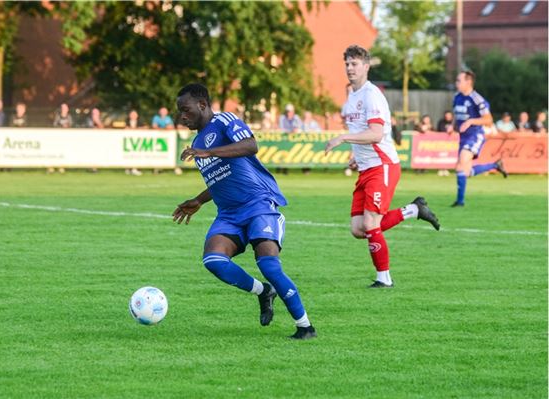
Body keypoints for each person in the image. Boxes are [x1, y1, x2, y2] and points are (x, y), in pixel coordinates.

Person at [173, 83, 316, 339]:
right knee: (213, 261)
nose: (182, 117)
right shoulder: (197, 141)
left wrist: (207, 151)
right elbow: (221, 178)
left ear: (203, 105)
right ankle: (263, 292)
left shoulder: (224, 120)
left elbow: (251, 145)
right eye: (179, 112)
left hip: (259, 203)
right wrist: (199, 200)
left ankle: (305, 326)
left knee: (270, 266)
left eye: (185, 110)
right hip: (229, 213)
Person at [325, 45, 441, 288]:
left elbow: (376, 134)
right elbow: (363, 132)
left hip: (383, 165)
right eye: (347, 64)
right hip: (366, 167)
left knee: (370, 224)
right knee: (358, 229)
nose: (349, 68)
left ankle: (384, 278)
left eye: (354, 64)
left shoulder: (371, 94)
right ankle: (414, 210)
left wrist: (343, 138)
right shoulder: (353, 96)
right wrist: (356, 154)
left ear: (366, 66)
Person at [451, 70, 508, 207]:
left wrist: (471, 121)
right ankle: (495, 165)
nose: (456, 83)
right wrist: (452, 126)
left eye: (459, 80)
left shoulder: (476, 99)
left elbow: (488, 119)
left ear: (468, 82)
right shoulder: (457, 97)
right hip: (463, 137)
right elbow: (456, 116)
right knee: (464, 171)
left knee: (462, 162)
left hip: (475, 135)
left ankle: (460, 202)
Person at [125, 109, 143, 176]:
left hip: (137, 141)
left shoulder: (140, 121)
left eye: (134, 114)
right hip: (129, 141)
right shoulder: (127, 121)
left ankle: (135, 168)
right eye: (132, 114)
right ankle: (129, 168)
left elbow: (144, 127)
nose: (133, 116)